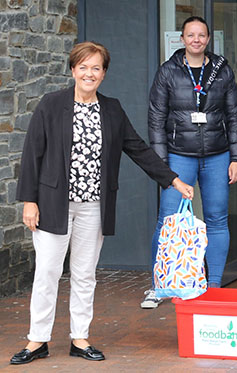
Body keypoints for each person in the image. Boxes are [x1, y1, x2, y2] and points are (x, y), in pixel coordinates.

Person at [11, 42, 194, 365]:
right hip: (53, 204)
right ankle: (37, 339)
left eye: (96, 68)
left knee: (84, 274)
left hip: (93, 206)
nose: (89, 73)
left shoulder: (111, 109)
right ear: (73, 70)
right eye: (83, 67)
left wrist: (173, 179)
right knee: (47, 272)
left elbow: (137, 148)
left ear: (104, 73)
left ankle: (80, 338)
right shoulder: (51, 105)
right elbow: (32, 155)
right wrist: (29, 201)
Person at [142, 16, 237, 308]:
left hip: (217, 154)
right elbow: (156, 120)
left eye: (201, 35)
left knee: (217, 219)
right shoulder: (168, 72)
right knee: (167, 221)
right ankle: (159, 286)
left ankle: (213, 287)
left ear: (208, 39)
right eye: (191, 35)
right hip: (178, 157)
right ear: (182, 39)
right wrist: (162, 166)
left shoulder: (222, 71)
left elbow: (235, 116)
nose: (196, 40)